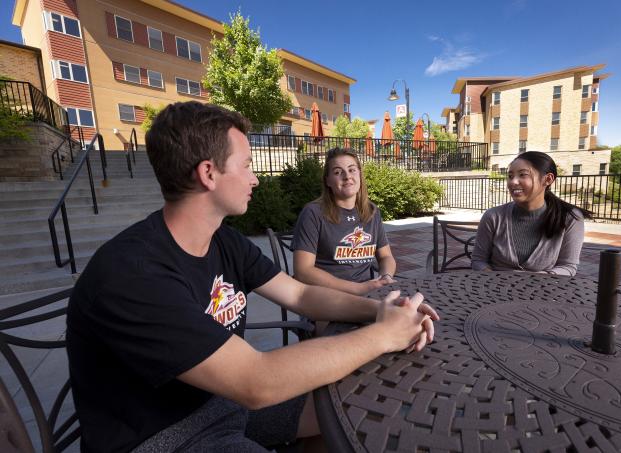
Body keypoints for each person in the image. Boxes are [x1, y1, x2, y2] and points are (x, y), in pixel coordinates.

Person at [65, 102, 438, 453]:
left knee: (357, 408)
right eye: (245, 165)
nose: (255, 178)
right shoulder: (133, 273)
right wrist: (382, 335)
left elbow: (301, 295)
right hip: (164, 436)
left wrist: (380, 311)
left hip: (222, 402)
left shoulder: (222, 239)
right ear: (208, 173)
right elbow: (256, 381)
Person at [292, 147, 396, 296]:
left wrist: (386, 277)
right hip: (326, 297)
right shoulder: (313, 213)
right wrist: (357, 289)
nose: (347, 176)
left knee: (412, 314)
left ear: (359, 174)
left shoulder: (372, 211)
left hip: (367, 294)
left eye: (352, 170)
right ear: (327, 180)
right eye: (337, 172)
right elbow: (303, 271)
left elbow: (386, 257)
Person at [471, 151, 591, 276]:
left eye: (523, 175)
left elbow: (567, 266)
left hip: (545, 290)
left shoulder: (570, 218)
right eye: (510, 176)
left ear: (548, 179)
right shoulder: (494, 216)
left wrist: (534, 281)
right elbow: (478, 261)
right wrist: (495, 280)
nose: (513, 182)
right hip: (496, 289)